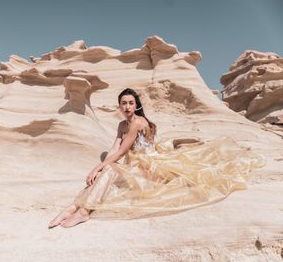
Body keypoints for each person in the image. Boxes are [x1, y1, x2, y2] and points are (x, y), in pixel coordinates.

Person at [48, 88, 267, 229]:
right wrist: (100, 167)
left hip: (151, 166)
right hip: (136, 164)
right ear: (119, 106)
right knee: (105, 172)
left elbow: (122, 151)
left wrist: (99, 166)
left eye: (130, 103)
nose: (126, 107)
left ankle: (84, 211)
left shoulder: (137, 123)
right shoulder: (121, 124)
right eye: (123, 103)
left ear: (136, 105)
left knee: (109, 170)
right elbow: (115, 146)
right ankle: (73, 208)